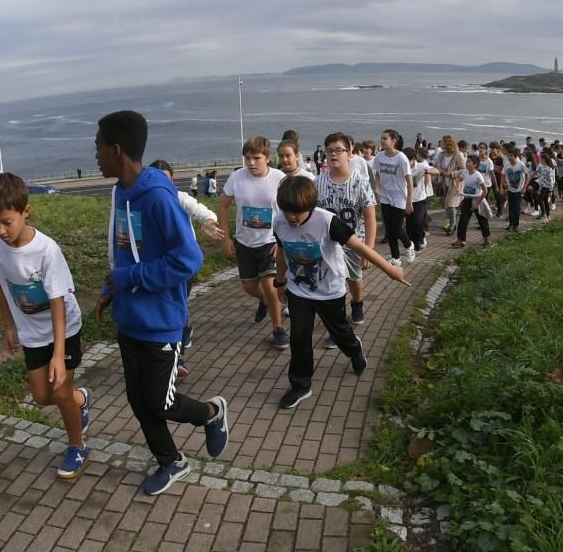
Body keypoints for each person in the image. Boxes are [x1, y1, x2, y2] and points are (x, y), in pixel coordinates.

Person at [92, 110, 229, 496]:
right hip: (129, 318)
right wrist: (110, 290)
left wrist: (127, 280)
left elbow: (188, 260)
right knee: (139, 401)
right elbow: (124, 253)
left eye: (98, 147)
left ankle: (212, 412)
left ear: (116, 149)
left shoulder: (156, 197)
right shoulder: (121, 191)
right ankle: (171, 461)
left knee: (161, 401)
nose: (95, 155)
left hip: (161, 323)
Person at [0, 172, 92, 479]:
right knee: (43, 397)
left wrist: (58, 354)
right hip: (31, 332)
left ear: (25, 211)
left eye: (7, 222)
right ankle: (81, 400)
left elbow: (57, 302)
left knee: (59, 392)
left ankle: (77, 447)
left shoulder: (46, 250)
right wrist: (8, 326)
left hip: (63, 327)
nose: (1, 230)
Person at [273, 176, 410, 408]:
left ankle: (354, 349)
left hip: (329, 291)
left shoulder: (327, 222)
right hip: (299, 290)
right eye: (288, 213)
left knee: (339, 332)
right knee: (299, 338)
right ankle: (301, 385)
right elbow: (281, 251)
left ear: (311, 206)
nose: (293, 218)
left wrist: (389, 269)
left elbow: (359, 246)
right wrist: (279, 282)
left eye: (299, 213)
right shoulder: (279, 222)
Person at [148, 159, 224, 378]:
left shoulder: (179, 198)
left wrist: (208, 223)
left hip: (182, 267)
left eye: (168, 181)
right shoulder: (143, 202)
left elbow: (204, 212)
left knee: (174, 311)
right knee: (167, 311)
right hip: (157, 268)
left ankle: (177, 358)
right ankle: (181, 334)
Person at [218, 136, 289, 347]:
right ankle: (265, 302)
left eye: (256, 158)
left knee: (270, 283)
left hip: (270, 241)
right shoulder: (237, 178)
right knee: (249, 286)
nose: (250, 163)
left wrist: (282, 240)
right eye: (247, 158)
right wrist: (226, 238)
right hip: (244, 242)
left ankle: (278, 328)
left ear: (267, 158)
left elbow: (288, 209)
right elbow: (223, 207)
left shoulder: (279, 178)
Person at [316, 132, 378, 331]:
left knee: (354, 278)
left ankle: (357, 303)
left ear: (349, 153)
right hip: (328, 243)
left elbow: (370, 217)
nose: (334, 154)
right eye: (329, 151)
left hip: (354, 242)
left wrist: (369, 249)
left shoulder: (360, 182)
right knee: (334, 283)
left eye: (339, 150)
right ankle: (338, 326)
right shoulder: (318, 182)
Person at [374, 128, 416, 266]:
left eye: (385, 138)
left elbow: (409, 181)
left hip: (399, 197)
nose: (382, 140)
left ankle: (409, 245)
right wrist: (377, 189)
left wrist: (409, 201)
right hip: (385, 196)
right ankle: (396, 258)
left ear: (393, 141)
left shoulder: (401, 158)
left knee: (396, 228)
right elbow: (377, 174)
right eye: (381, 138)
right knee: (389, 230)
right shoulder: (380, 156)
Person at [451, 154, 492, 248]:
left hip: (477, 200)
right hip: (467, 200)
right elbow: (460, 179)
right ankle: (461, 241)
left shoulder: (478, 176)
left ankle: (486, 240)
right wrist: (458, 188)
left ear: (475, 164)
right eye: (466, 161)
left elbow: (485, 190)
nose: (467, 163)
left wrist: (477, 204)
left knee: (482, 221)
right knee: (462, 221)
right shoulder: (465, 172)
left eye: (469, 162)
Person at [404, 146, 438, 251]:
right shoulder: (402, 167)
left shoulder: (421, 166)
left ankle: (421, 237)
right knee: (409, 226)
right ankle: (414, 244)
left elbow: (437, 171)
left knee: (417, 222)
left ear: (413, 159)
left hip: (420, 200)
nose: (405, 163)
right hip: (407, 200)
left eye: (407, 161)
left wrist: (426, 172)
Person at [436, 135, 465, 235]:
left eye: (442, 142)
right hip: (444, 183)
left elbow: (463, 170)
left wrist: (451, 174)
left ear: (447, 143)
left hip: (455, 183)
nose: (441, 144)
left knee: (451, 204)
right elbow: (438, 166)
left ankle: (452, 225)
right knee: (445, 203)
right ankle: (449, 222)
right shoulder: (441, 155)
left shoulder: (458, 155)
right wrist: (440, 173)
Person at [503, 146, 530, 232]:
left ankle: (516, 224)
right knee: (511, 207)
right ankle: (511, 224)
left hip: (519, 189)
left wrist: (524, 187)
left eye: (511, 155)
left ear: (515, 156)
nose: (509, 157)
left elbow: (527, 175)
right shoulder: (507, 164)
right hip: (510, 189)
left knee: (517, 207)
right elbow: (503, 175)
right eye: (508, 156)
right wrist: (501, 187)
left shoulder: (521, 164)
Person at [535, 153, 556, 222]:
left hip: (547, 187)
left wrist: (551, 190)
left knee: (539, 200)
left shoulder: (548, 168)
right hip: (544, 186)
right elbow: (543, 178)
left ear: (543, 159)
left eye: (541, 159)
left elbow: (551, 180)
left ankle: (544, 216)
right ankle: (548, 216)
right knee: (545, 202)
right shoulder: (545, 167)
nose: (540, 160)